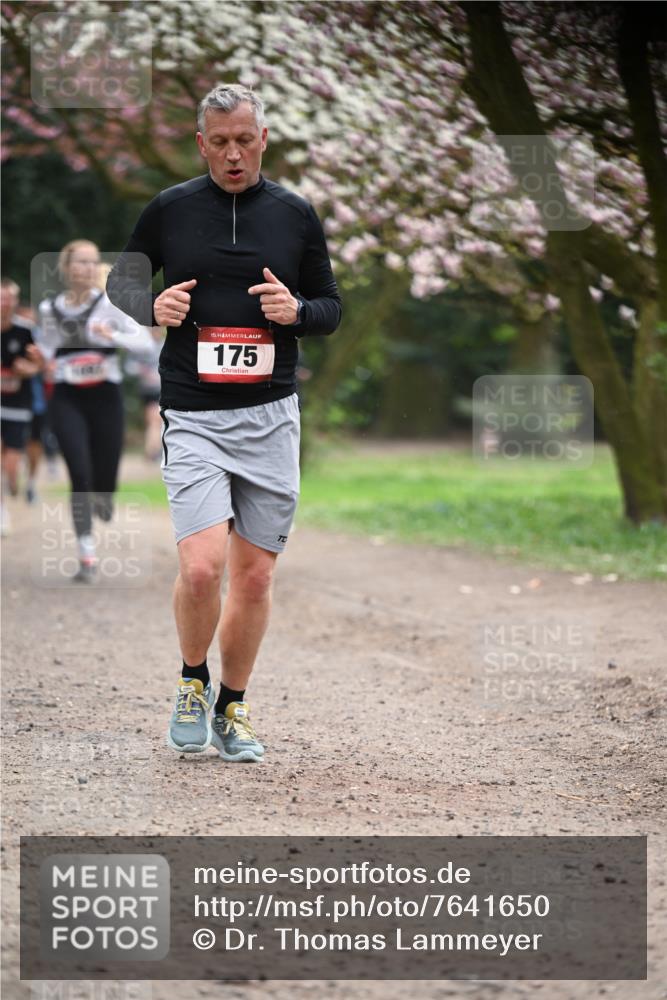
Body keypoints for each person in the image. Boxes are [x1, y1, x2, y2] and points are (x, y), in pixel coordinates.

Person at [107, 83, 341, 763]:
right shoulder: (170, 209)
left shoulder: (295, 215)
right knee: (203, 568)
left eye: (245, 139)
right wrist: (153, 309)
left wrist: (294, 311)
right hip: (194, 411)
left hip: (269, 415)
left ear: (263, 138)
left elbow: (329, 307)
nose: (233, 154)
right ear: (201, 142)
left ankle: (231, 707)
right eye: (220, 141)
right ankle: (191, 682)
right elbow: (122, 286)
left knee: (256, 578)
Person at [36, 240, 154, 581]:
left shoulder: (109, 305)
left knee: (104, 473)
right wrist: (36, 361)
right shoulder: (49, 310)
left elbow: (145, 344)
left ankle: (105, 499)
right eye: (81, 262)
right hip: (66, 397)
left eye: (92, 263)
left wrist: (112, 336)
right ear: (66, 268)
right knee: (79, 471)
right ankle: (86, 553)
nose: (87, 268)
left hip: (105, 396)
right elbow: (44, 351)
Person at [1, 278, 43, 534]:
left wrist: (28, 369)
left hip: (19, 404)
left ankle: (15, 481)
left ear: (15, 302)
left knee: (12, 463)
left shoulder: (26, 331)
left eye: (9, 298)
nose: (5, 303)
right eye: (1, 298)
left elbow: (40, 363)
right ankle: (2, 510)